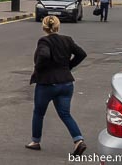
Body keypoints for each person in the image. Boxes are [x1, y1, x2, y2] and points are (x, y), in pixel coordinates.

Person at [27, 16, 87, 155]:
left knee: (39, 113)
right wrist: (68, 66)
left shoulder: (44, 41)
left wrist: (39, 69)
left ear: (44, 27)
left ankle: (35, 141)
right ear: (58, 26)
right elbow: (81, 54)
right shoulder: (67, 40)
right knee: (65, 114)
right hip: (66, 83)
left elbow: (44, 55)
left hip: (47, 84)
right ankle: (78, 140)